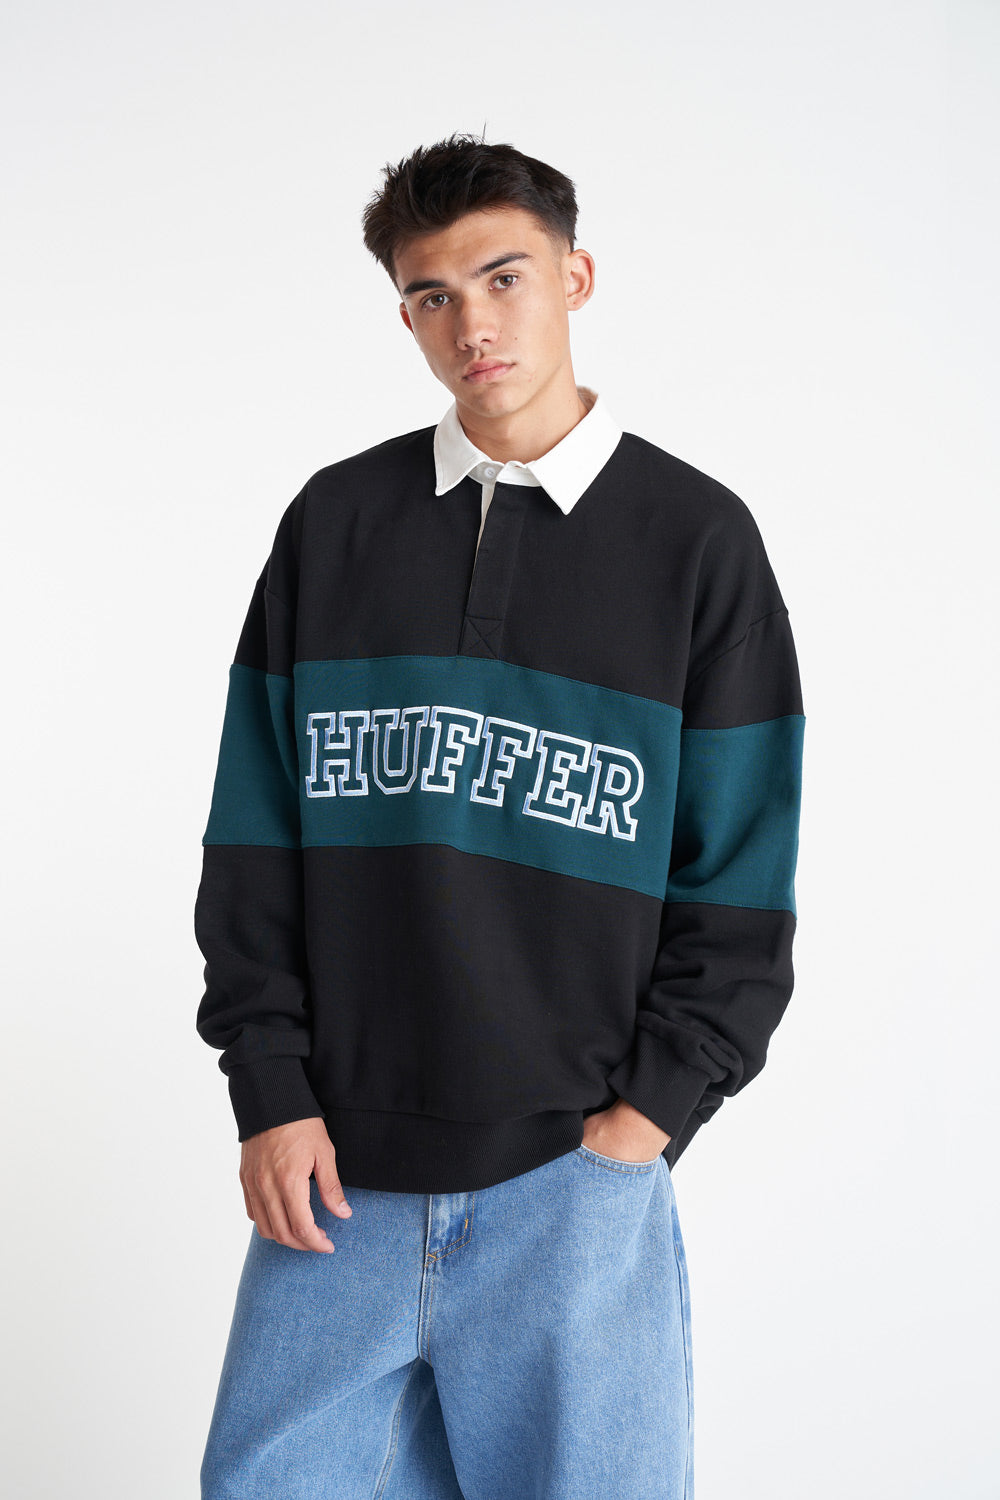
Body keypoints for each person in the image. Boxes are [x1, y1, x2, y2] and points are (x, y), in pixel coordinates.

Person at [194, 133, 805, 1500]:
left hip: (570, 1185)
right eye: (432, 295)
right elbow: (253, 837)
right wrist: (269, 1092)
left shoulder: (697, 543)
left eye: (503, 277)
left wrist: (645, 1120)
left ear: (575, 277)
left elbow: (741, 876)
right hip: (331, 1184)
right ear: (406, 318)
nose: (472, 322)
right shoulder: (334, 526)